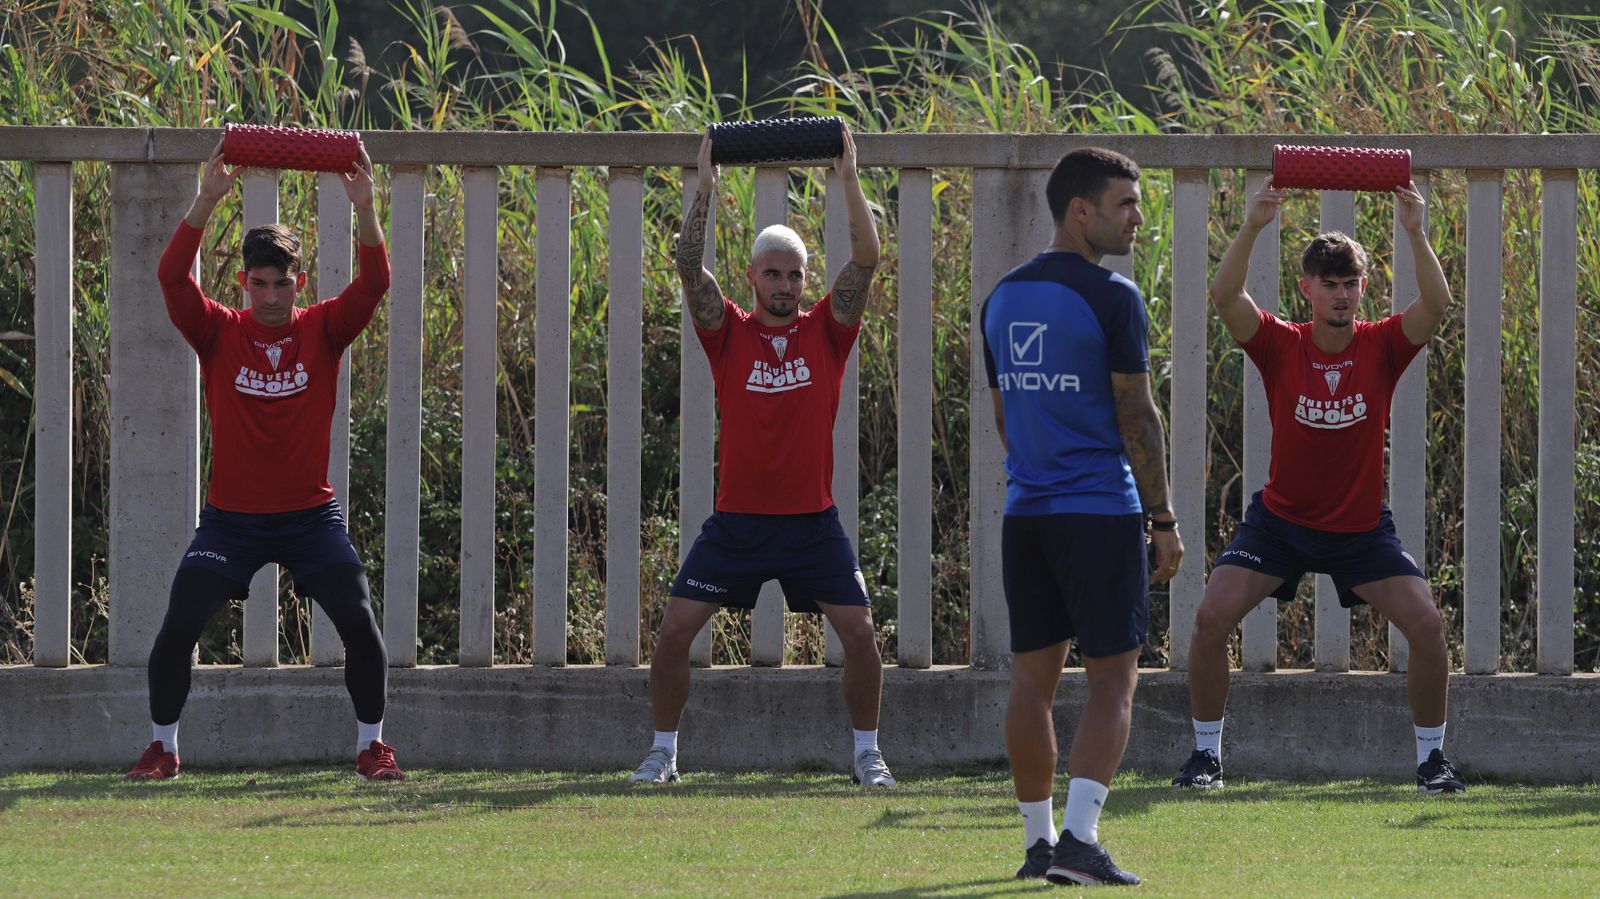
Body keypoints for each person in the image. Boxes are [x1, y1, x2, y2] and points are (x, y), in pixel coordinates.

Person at [1171, 182, 1462, 795]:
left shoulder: (1382, 346)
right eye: (1329, 284)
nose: (1341, 294)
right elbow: (1224, 296)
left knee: (1427, 626)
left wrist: (1415, 232)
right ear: (1307, 289)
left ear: (1363, 288)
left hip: (1359, 531)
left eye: (1350, 283)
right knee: (1209, 619)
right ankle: (1205, 758)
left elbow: (1437, 303)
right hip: (1280, 525)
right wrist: (1253, 225)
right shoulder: (1282, 344)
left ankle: (1432, 761)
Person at [126, 139, 402, 781]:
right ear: (244, 282)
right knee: (178, 626)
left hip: (310, 519)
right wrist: (207, 198)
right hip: (231, 522)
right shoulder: (218, 331)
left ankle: (372, 747)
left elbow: (375, 283)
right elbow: (171, 278)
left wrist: (365, 208)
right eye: (259, 283)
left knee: (360, 623)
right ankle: (163, 749)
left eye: (282, 283)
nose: (271, 296)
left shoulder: (324, 329)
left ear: (298, 282)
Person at [628, 125, 894, 788]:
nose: (784, 283)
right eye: (772, 273)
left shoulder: (828, 330)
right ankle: (663, 754)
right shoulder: (729, 333)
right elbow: (688, 266)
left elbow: (867, 258)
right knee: (673, 633)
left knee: (861, 634)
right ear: (751, 277)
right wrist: (705, 189)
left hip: (812, 523)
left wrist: (849, 178)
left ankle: (867, 755)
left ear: (806, 280)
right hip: (739, 525)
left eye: (794, 274)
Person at [981, 147, 1182, 886]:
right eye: (1125, 204)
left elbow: (1006, 416)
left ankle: (1039, 845)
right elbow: (1138, 416)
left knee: (1030, 684)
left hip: (1026, 516)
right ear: (1080, 210)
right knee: (1112, 683)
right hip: (1099, 513)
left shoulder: (1001, 297)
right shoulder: (1114, 296)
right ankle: (1080, 840)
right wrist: (1162, 518)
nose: (1137, 218)